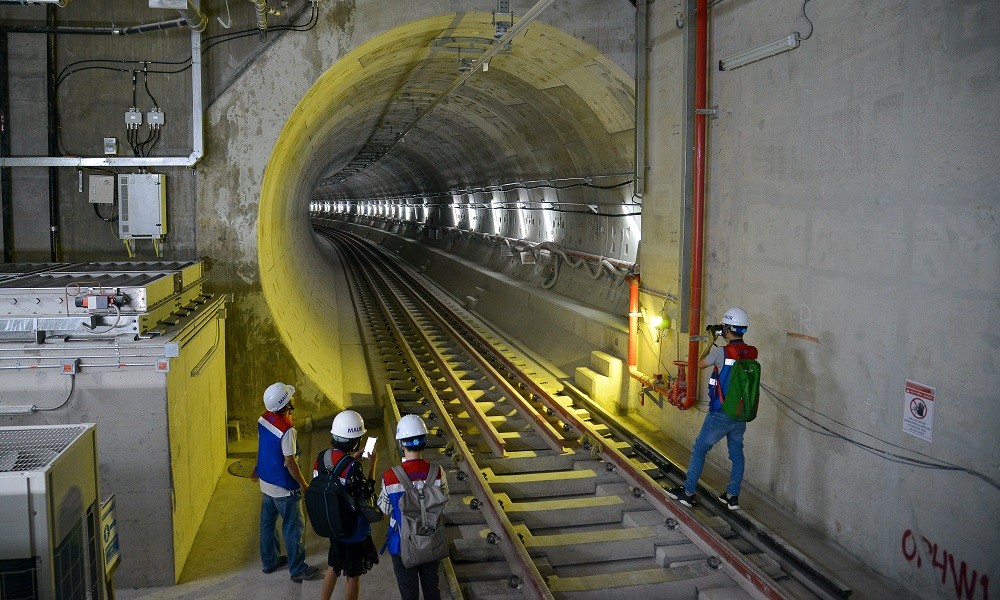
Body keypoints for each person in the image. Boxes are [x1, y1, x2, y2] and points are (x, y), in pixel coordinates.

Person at [667, 307, 757, 510]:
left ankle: (688, 493)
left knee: (699, 449)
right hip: (740, 413)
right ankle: (732, 497)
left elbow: (699, 364)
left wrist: (709, 342)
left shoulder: (721, 352)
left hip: (721, 413)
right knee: (737, 453)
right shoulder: (751, 352)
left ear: (727, 329)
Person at [378, 414, 449, 600]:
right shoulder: (438, 471)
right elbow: (445, 501)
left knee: (409, 594)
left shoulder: (390, 476)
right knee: (432, 590)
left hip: (401, 545)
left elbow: (384, 509)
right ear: (424, 441)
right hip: (431, 539)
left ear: (402, 444)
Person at [255, 382, 320, 582]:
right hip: (284, 489)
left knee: (267, 525)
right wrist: (303, 484)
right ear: (287, 404)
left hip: (266, 483)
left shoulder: (263, 418)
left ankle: (270, 562)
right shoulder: (287, 430)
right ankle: (298, 569)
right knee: (293, 529)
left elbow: (266, 447)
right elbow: (290, 462)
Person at [317, 410, 379, 600]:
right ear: (355, 441)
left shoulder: (322, 457)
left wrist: (352, 461)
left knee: (334, 566)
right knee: (353, 576)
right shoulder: (353, 467)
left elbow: (332, 480)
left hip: (333, 524)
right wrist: (372, 465)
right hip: (353, 530)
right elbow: (367, 493)